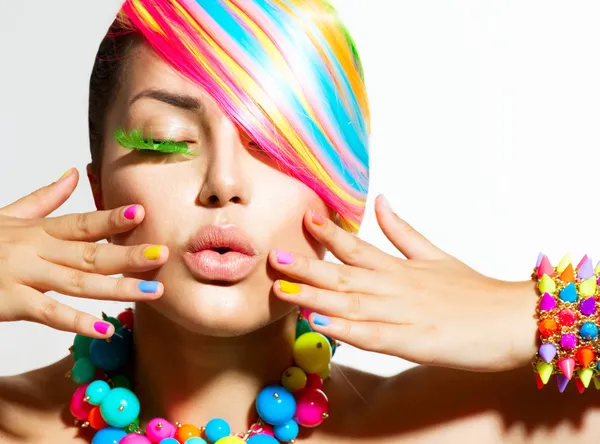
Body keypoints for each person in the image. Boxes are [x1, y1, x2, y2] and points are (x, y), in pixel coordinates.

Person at [0, 1, 598, 443]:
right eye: (167, 140)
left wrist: (538, 314)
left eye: (274, 146)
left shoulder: (457, 429)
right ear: (101, 186)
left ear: (344, 198)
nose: (224, 184)